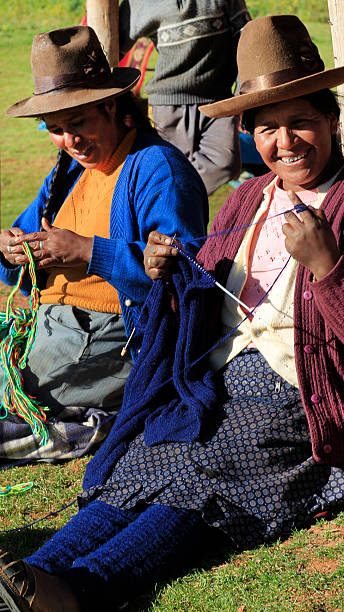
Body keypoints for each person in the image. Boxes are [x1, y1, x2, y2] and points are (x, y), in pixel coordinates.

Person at [0, 15, 344, 612]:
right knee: (144, 455)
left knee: (206, 471)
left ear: (333, 118)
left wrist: (329, 267)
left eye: (302, 121)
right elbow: (195, 287)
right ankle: (33, 573)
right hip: (218, 379)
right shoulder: (250, 197)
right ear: (250, 134)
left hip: (309, 398)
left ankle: (80, 590)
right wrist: (162, 267)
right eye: (269, 128)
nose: (287, 141)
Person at [0, 25, 208, 465]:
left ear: (111, 105)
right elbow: (16, 259)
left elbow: (185, 279)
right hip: (48, 328)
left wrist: (88, 252)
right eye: (55, 129)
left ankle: (88, 420)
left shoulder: (157, 170)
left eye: (79, 123)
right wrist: (9, 249)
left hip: (112, 338)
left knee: (14, 406)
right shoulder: (68, 172)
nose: (70, 141)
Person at [118, 0, 251, 195]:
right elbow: (115, 41)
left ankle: (170, 197)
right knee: (171, 166)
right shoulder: (142, 3)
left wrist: (242, 90)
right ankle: (172, 207)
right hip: (169, 102)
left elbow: (245, 35)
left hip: (219, 101)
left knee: (226, 164)